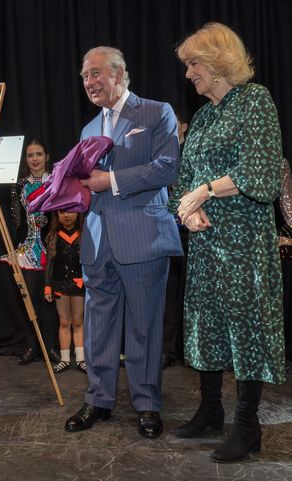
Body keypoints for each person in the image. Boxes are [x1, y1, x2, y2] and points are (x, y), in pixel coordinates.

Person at [169, 22, 285, 463]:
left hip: (243, 244)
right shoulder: (202, 116)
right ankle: (210, 410)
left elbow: (261, 172)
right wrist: (186, 207)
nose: (188, 74)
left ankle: (248, 426)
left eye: (193, 64)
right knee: (206, 325)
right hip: (205, 246)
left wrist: (206, 192)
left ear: (217, 64)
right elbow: (184, 179)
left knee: (246, 328)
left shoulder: (255, 102)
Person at [64, 46, 183, 439]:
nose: (89, 82)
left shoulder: (155, 111)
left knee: (144, 326)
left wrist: (110, 181)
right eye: (84, 77)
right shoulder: (87, 129)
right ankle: (98, 398)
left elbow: (167, 168)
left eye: (95, 73)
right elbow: (86, 183)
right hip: (97, 241)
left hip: (143, 237)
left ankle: (147, 404)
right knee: (98, 325)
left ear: (119, 74)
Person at [0, 139, 60, 365]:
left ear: (46, 157)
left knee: (50, 299)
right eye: (30, 155)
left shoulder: (54, 182)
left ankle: (51, 347)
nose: (34, 159)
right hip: (27, 249)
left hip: (51, 249)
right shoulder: (18, 185)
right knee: (29, 299)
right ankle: (32, 345)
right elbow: (16, 220)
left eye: (38, 154)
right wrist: (16, 249)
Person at [162, 111, 189, 368]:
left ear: (183, 126)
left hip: (191, 232)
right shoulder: (160, 155)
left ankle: (191, 349)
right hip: (167, 231)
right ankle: (167, 350)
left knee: (192, 293)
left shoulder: (192, 152)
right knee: (168, 293)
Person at [44, 210, 86, 374]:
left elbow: (88, 261)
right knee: (64, 322)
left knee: (77, 321)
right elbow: (49, 264)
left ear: (78, 213)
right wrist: (47, 285)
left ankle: (81, 359)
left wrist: (85, 279)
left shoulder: (82, 234)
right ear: (57, 215)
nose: (65, 215)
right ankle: (65, 359)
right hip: (59, 284)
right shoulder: (54, 236)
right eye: (61, 212)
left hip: (78, 283)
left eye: (69, 211)